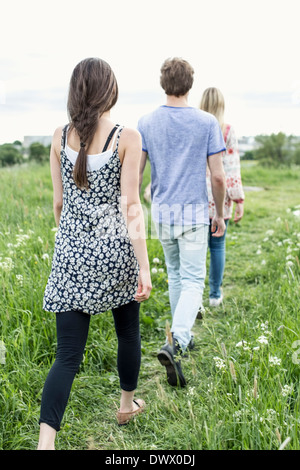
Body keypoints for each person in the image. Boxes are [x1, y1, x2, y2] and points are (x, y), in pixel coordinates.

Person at [37, 58, 152, 450]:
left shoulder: (57, 137)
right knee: (128, 332)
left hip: (71, 255)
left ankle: (45, 443)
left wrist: (74, 242)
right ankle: (125, 405)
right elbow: (131, 205)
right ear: (110, 91)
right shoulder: (127, 138)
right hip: (117, 254)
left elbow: (58, 204)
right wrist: (144, 265)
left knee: (66, 356)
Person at [138, 58, 226, 388]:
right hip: (192, 215)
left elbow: (137, 174)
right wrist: (217, 213)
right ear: (190, 84)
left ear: (164, 83)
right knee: (192, 279)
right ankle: (178, 339)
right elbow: (218, 177)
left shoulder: (146, 122)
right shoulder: (206, 123)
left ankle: (180, 342)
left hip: (162, 213)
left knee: (176, 275)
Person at [200, 87, 245, 307]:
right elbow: (231, 168)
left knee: (197, 247)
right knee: (218, 246)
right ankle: (215, 295)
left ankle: (194, 295)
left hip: (196, 196)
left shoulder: (196, 128)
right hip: (220, 196)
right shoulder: (227, 131)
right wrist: (238, 200)